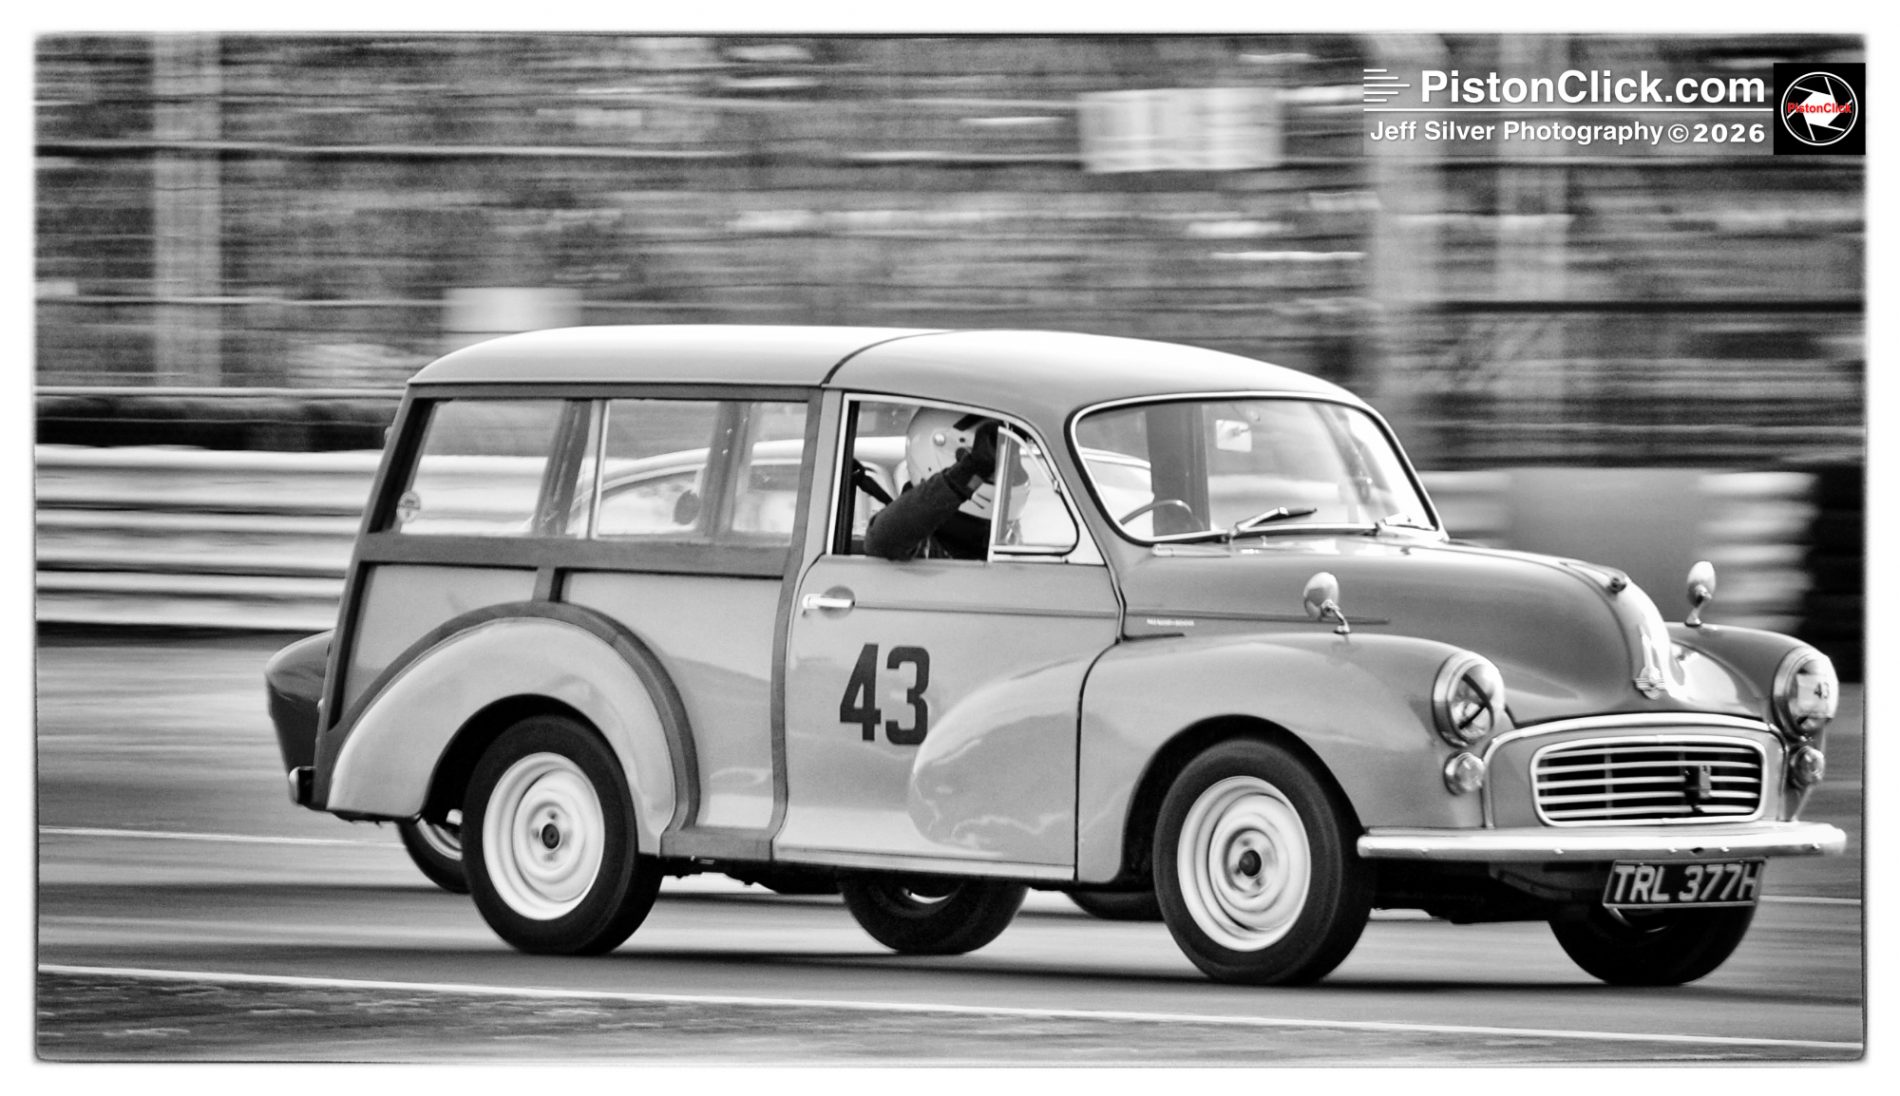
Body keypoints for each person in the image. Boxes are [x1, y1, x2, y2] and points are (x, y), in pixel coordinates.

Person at [864, 409, 1026, 561]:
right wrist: (969, 472)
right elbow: (882, 540)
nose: (1006, 472)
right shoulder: (920, 539)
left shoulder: (1003, 532)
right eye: (991, 462)